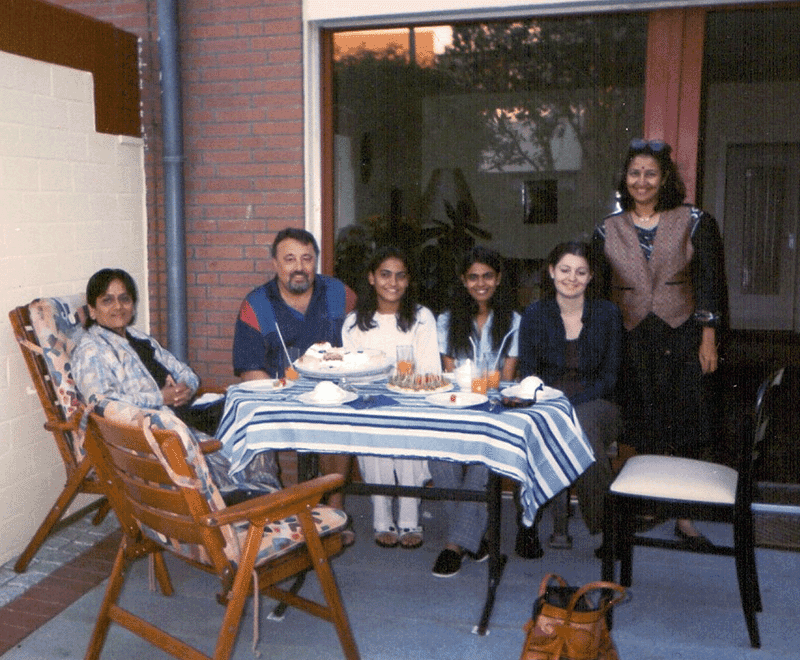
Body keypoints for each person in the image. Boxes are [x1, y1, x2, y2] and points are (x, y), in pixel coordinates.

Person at [592, 138, 726, 547]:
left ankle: (684, 518)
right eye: (635, 173)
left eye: (650, 173)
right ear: (625, 178)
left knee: (686, 425)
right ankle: (642, 506)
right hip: (632, 339)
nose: (642, 181)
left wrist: (708, 337)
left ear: (665, 178)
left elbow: (710, 281)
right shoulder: (607, 229)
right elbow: (597, 293)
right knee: (640, 424)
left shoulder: (695, 220)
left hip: (683, 335)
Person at [72, 268, 281, 495]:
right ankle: (251, 499)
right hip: (154, 436)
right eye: (107, 300)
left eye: (124, 299)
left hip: (184, 416)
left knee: (251, 412)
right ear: (92, 310)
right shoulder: (91, 350)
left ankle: (265, 491)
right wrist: (161, 397)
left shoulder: (140, 339)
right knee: (227, 457)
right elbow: (100, 402)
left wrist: (186, 389)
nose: (118, 307)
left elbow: (186, 373)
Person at [232, 228, 357, 529]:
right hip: (279, 398)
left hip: (331, 397)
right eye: (289, 259)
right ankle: (271, 513)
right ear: (275, 264)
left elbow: (363, 345)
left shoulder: (340, 294)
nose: (299, 267)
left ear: (316, 262)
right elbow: (249, 369)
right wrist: (284, 399)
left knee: (340, 417)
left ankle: (334, 509)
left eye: (307, 258)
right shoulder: (256, 304)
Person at [517, 242, 623, 558]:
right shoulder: (534, 314)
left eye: (580, 272)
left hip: (598, 403)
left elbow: (609, 379)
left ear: (591, 277)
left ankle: (606, 526)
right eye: (565, 270)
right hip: (547, 401)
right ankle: (527, 522)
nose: (572, 278)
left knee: (583, 426)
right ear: (551, 272)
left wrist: (567, 408)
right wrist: (552, 404)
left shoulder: (607, 314)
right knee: (532, 428)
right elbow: (529, 373)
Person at [341, 246, 440, 550]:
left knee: (408, 436)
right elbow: (352, 374)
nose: (393, 282)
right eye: (385, 274)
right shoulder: (354, 322)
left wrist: (401, 386)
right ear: (371, 278)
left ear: (408, 280)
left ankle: (410, 519)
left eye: (400, 275)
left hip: (412, 403)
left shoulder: (422, 318)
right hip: (371, 404)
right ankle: (382, 519)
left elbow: (430, 371)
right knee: (374, 439)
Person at [430, 246, 520, 577]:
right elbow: (450, 374)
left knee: (484, 462)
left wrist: (482, 382)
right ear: (463, 280)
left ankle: (454, 545)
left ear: (498, 279)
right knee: (439, 458)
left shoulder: (514, 321)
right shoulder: (446, 321)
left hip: (493, 413)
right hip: (458, 408)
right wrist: (478, 380)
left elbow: (505, 380)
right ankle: (473, 540)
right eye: (473, 277)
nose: (480, 283)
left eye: (487, 276)